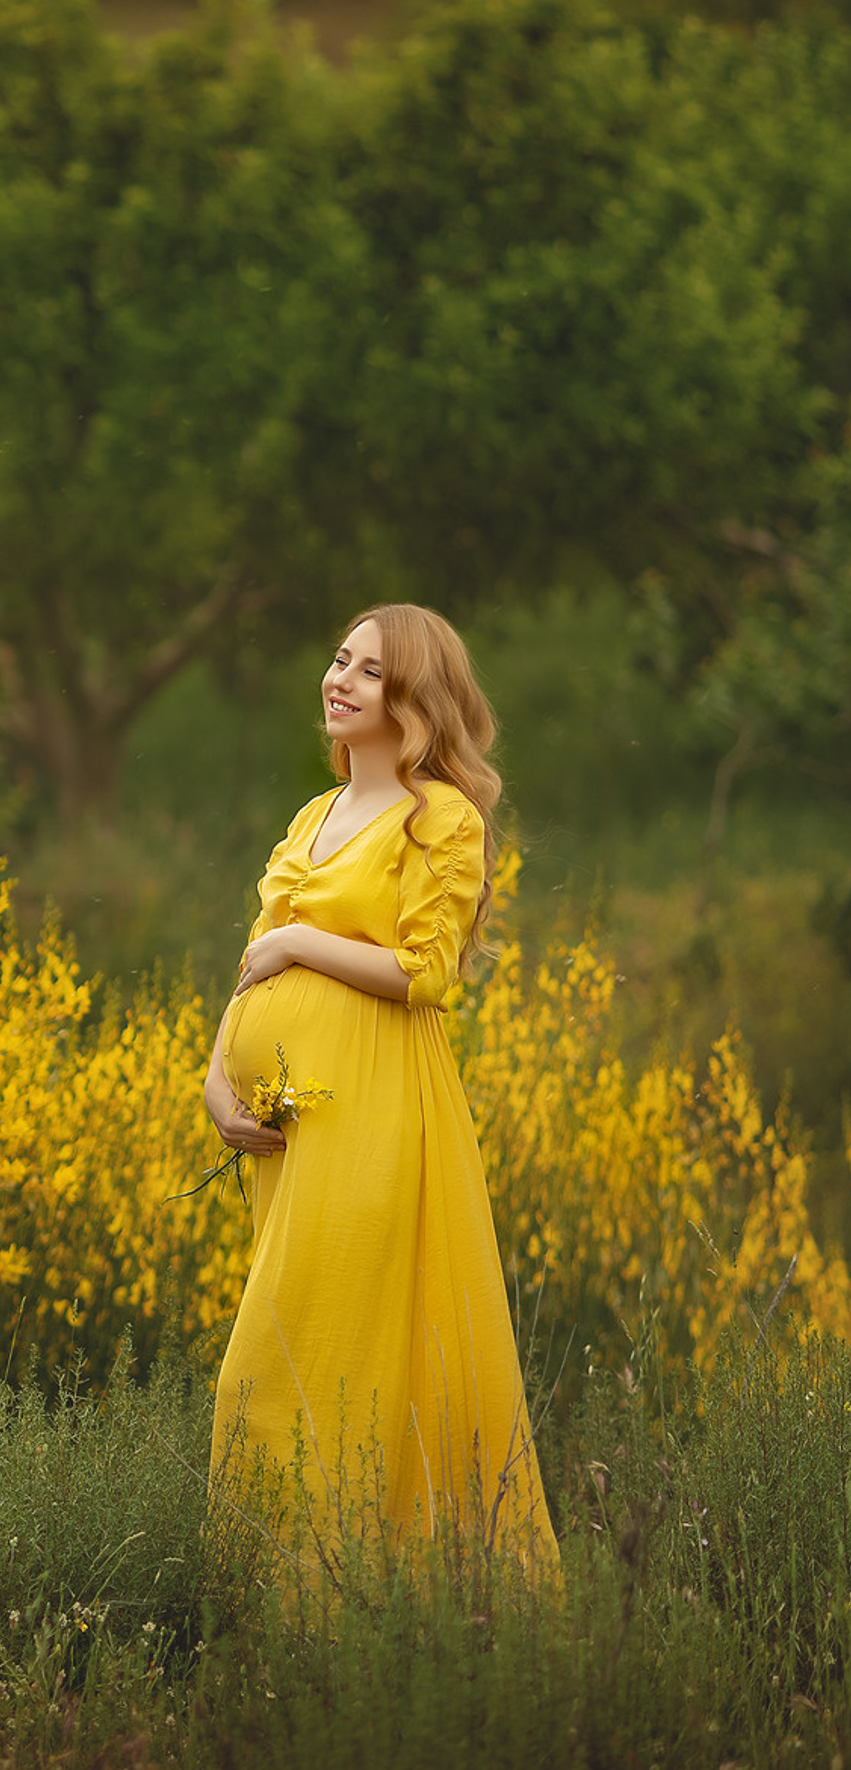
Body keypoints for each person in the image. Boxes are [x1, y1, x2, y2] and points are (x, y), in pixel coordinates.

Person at [202, 603, 558, 1566]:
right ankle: (294, 1618)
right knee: (320, 1353)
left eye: (369, 671)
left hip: (374, 1111)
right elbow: (253, 965)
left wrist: (294, 940)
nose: (340, 681)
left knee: (303, 1361)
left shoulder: (443, 818)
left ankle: (355, 1597)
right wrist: (215, 1076)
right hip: (289, 1124)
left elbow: (423, 973)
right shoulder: (313, 816)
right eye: (338, 660)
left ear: (416, 698)